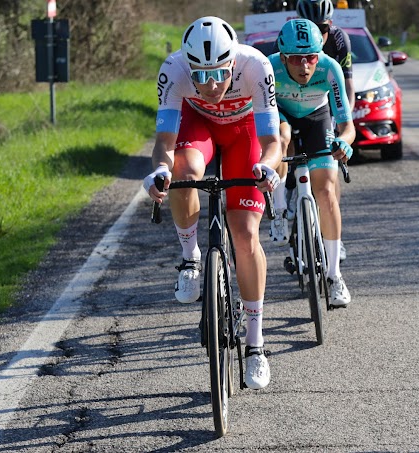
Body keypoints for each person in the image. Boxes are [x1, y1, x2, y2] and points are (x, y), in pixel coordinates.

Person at [142, 16, 282, 389]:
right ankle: (190, 259)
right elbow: (164, 143)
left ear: (232, 63)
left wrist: (267, 169)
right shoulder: (173, 69)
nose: (211, 85)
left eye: (219, 74)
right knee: (183, 172)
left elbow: (273, 145)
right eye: (200, 76)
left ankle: (255, 345)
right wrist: (159, 171)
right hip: (198, 127)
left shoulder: (257, 66)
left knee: (245, 234)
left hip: (244, 134)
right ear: (188, 66)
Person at [268, 18, 356, 306]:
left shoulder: (330, 68)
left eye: (311, 57)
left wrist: (344, 142)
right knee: (281, 140)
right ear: (283, 57)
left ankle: (334, 276)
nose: (305, 65)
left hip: (317, 117)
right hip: (281, 115)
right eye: (296, 58)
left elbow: (347, 125)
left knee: (327, 192)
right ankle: (280, 211)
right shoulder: (269, 68)